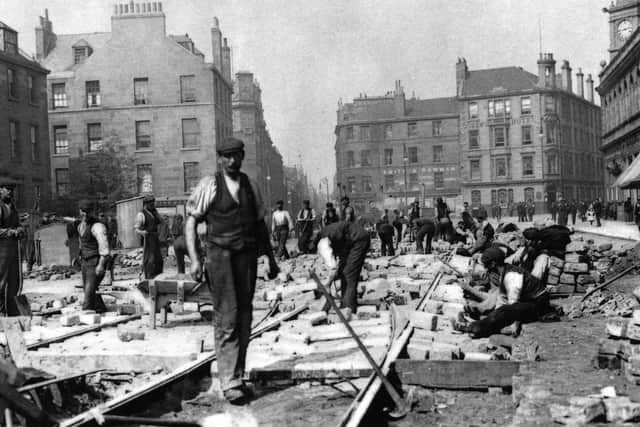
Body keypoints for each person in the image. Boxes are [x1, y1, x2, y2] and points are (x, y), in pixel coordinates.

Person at [184, 137, 278, 404]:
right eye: (227, 156)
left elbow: (260, 225)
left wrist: (270, 259)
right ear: (220, 158)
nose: (232, 161)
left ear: (242, 156)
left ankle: (238, 374)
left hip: (246, 257)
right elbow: (191, 222)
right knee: (227, 316)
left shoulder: (251, 185)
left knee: (245, 317)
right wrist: (194, 259)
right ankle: (229, 381)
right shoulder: (210, 185)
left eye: (237, 155)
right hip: (220, 256)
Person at [452, 247, 550, 338]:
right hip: (527, 301)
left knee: (505, 312)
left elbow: (512, 307)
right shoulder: (504, 271)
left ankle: (471, 328)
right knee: (499, 307)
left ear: (493, 264)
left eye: (486, 265)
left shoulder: (512, 276)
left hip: (538, 305)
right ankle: (481, 322)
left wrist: (507, 321)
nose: (486, 269)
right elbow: (502, 299)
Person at [317, 206, 371, 313]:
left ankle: (348, 308)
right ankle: (346, 303)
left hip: (358, 240)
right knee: (344, 271)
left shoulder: (323, 243)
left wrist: (327, 284)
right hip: (353, 240)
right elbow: (339, 254)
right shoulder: (326, 234)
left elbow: (333, 267)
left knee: (349, 273)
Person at [77, 200, 109, 312]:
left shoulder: (98, 226)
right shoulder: (81, 226)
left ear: (92, 212)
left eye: (87, 212)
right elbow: (82, 243)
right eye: (83, 212)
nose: (85, 214)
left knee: (89, 291)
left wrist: (101, 265)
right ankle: (100, 308)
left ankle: (87, 311)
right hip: (85, 261)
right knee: (90, 288)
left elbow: (104, 247)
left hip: (95, 261)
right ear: (80, 211)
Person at [0, 185, 24, 316]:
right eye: (6, 189)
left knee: (14, 280)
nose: (10, 192)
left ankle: (13, 310)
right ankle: (1, 312)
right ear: (0, 190)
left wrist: (20, 229)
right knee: (1, 281)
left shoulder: (13, 208)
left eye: (11, 190)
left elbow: (18, 225)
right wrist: (10, 232)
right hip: (1, 250)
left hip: (13, 250)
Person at [134, 194, 164, 279]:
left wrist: (157, 214)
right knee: (150, 260)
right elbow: (136, 228)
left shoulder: (154, 212)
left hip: (155, 238)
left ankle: (158, 276)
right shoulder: (141, 214)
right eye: (151, 204)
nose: (152, 205)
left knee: (159, 260)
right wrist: (142, 232)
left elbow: (160, 222)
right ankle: (148, 277)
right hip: (147, 238)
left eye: (153, 203)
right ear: (146, 204)